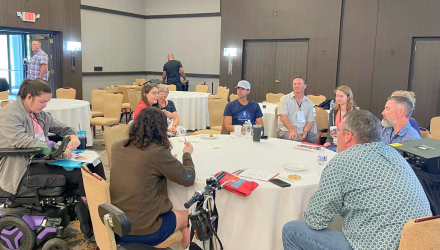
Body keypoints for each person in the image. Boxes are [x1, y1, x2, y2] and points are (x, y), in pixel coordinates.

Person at [282, 110, 432, 250]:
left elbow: (316, 220)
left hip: (377, 246)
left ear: (348, 136)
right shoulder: (394, 153)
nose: (336, 136)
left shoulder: (342, 162)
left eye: (338, 132)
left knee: (292, 230)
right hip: (420, 242)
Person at [0, 79, 105, 240]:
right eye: (42, 102)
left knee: (94, 165)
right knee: (82, 175)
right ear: (28, 97)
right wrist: (55, 149)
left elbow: (62, 127)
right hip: (22, 168)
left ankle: (101, 212)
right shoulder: (10, 113)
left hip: (40, 160)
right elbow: (22, 141)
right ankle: (94, 229)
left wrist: (71, 135)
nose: (45, 106)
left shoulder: (38, 114)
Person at [110, 107, 195, 248]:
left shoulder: (117, 146)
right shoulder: (157, 153)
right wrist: (187, 154)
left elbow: (138, 166)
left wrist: (165, 162)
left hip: (116, 225)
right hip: (143, 229)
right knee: (188, 217)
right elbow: (188, 178)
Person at [277, 77, 318, 143]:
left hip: (301, 131)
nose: (296, 86)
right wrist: (292, 130)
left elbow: (309, 121)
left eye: (299, 84)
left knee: (318, 139)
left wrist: (305, 132)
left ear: (305, 86)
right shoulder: (285, 99)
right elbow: (283, 116)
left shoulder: (309, 102)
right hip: (286, 130)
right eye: (294, 84)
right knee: (297, 140)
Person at [323, 85, 358, 152]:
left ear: (348, 97)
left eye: (341, 96)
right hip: (334, 142)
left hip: (348, 144)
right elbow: (330, 127)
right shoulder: (333, 111)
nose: (338, 98)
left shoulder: (354, 113)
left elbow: (355, 133)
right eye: (337, 96)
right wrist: (329, 141)